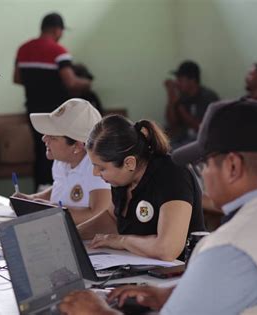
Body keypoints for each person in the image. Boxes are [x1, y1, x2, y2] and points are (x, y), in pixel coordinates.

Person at [58, 98, 257, 315]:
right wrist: (175, 293)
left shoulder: (230, 247)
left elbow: (174, 251)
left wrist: (96, 311)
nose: (202, 175)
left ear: (232, 166)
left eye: (205, 164)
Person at [79, 115, 205, 261]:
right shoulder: (121, 179)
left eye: (101, 168)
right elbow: (112, 219)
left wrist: (121, 241)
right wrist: (74, 234)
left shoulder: (173, 174)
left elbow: (167, 249)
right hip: (140, 265)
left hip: (182, 271)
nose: (95, 173)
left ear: (129, 163)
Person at [13, 12, 92, 190]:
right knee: (58, 153)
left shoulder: (23, 49)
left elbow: (17, 78)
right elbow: (71, 82)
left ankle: (40, 190)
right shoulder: (59, 51)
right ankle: (58, 191)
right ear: (57, 30)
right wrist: (87, 83)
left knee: (40, 151)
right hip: (57, 114)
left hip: (33, 111)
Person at [12, 98, 112, 225]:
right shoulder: (61, 161)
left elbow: (98, 214)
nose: (44, 138)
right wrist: (33, 200)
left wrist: (49, 210)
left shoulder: (96, 168)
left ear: (77, 146)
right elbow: (62, 186)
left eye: (52, 137)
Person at [164, 60, 219, 149]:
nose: (177, 83)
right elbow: (172, 124)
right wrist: (171, 98)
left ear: (192, 80)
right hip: (183, 139)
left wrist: (180, 107)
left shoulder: (208, 97)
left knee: (173, 152)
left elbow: (202, 129)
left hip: (202, 142)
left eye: (180, 79)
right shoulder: (182, 96)